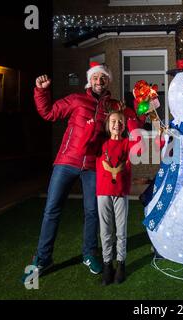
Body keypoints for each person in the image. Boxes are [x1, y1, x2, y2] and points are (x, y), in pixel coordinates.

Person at [22, 62, 120, 282]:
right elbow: (48, 113)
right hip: (66, 162)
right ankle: (43, 258)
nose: (99, 81)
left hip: (92, 167)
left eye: (103, 78)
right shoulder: (77, 100)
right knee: (52, 210)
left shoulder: (111, 107)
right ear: (90, 80)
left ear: (108, 81)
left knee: (92, 212)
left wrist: (144, 104)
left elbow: (125, 122)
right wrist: (42, 91)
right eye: (95, 77)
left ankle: (89, 254)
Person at [79, 106, 144, 285]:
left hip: (121, 193)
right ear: (108, 124)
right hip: (103, 193)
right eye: (114, 121)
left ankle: (121, 264)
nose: (117, 124)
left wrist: (132, 124)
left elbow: (139, 151)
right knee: (105, 232)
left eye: (120, 122)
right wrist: (89, 129)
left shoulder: (126, 143)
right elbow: (83, 149)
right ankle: (108, 265)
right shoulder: (101, 144)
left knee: (121, 232)